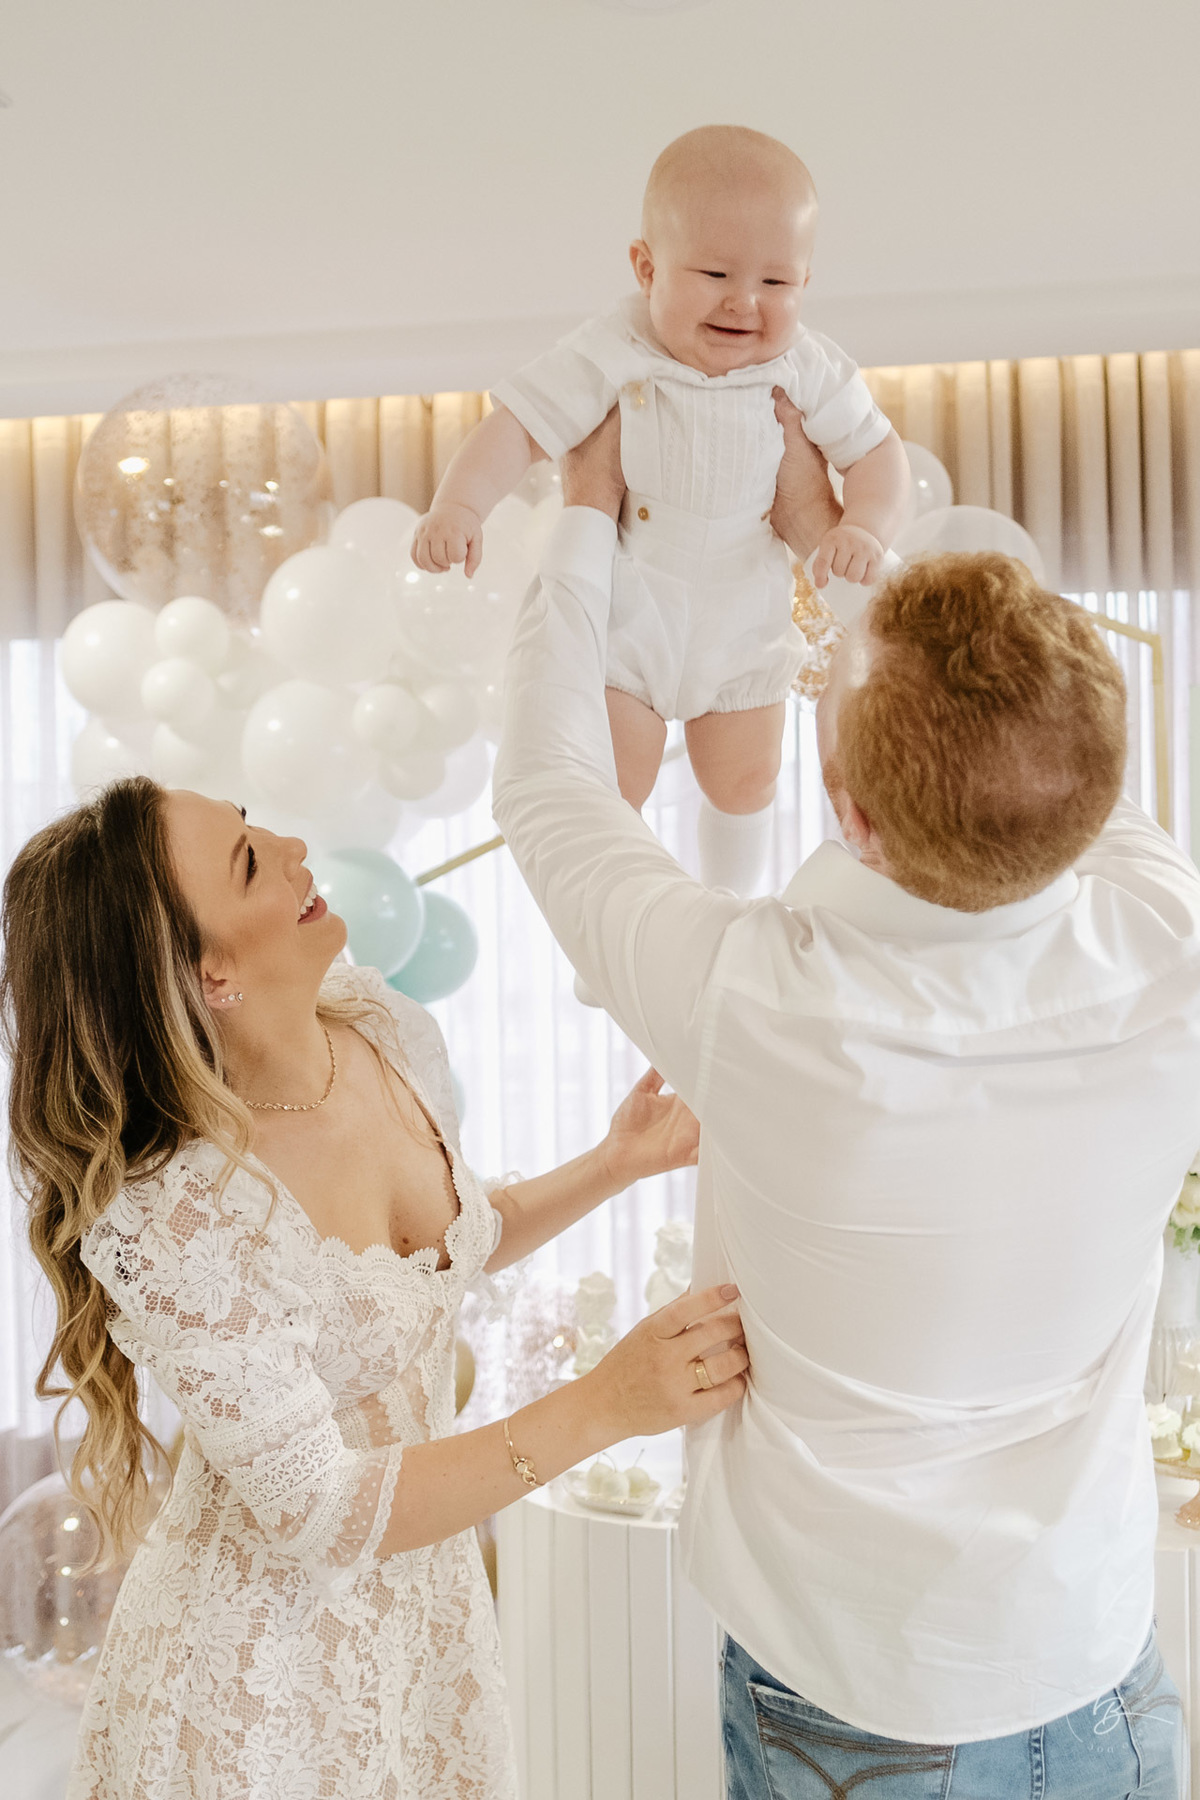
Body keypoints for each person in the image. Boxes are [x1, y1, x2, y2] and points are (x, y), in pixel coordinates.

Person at [491, 404, 1200, 1797]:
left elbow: (548, 781)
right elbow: (1070, 776)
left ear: (851, 814)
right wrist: (860, 551)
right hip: (1095, 1659)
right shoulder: (1169, 945)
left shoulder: (751, 1000)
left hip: (852, 1696)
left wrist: (586, 511)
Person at [0, 778, 747, 1800]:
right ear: (209, 970)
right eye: (252, 861)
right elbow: (321, 1507)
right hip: (253, 1687)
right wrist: (611, 1404)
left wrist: (611, 1163)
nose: (296, 845)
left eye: (254, 824)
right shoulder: (176, 1211)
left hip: (424, 1635)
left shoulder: (372, 1035)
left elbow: (437, 1254)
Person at [413, 125, 909, 898]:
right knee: (615, 783)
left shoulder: (804, 364)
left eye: (778, 283)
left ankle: (734, 901)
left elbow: (879, 455)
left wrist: (864, 525)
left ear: (807, 282)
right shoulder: (613, 348)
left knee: (746, 781)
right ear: (647, 267)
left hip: (743, 619)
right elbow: (517, 426)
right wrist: (460, 505)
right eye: (715, 272)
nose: (746, 301)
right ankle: (611, 930)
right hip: (631, 617)